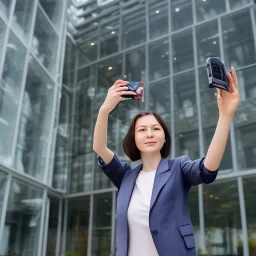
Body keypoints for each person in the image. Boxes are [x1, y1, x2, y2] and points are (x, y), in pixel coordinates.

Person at [93, 67, 240, 256]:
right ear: (134, 139)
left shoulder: (178, 168)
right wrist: (104, 110)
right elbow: (99, 147)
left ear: (164, 137)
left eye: (156, 128)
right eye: (142, 130)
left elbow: (207, 168)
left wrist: (225, 116)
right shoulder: (125, 177)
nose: (150, 134)